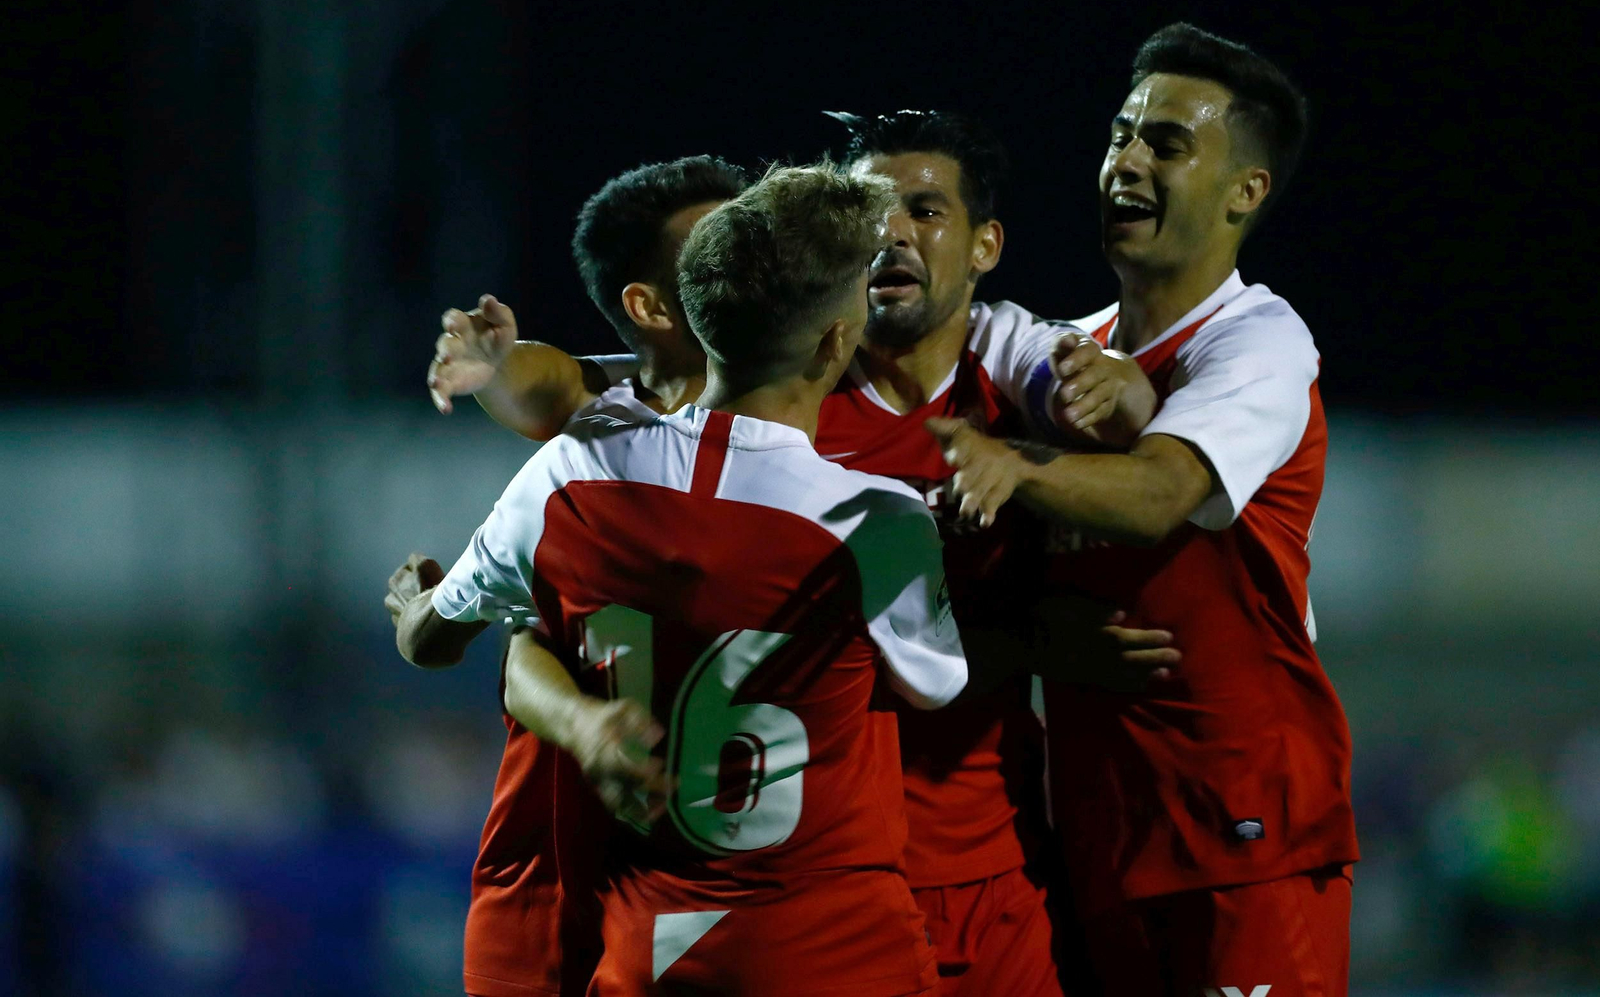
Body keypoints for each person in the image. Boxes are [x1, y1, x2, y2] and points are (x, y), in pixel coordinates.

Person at [428, 114, 1178, 996]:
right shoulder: (674, 428)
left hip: (966, 863)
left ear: (985, 245)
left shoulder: (1012, 368)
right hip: (778, 903)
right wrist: (1041, 644)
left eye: (923, 210)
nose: (891, 236)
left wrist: (1117, 390)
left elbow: (1088, 386)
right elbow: (565, 394)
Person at [390, 163, 966, 996]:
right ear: (837, 338)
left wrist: (419, 611)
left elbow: (448, 637)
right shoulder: (875, 517)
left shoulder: (573, 471)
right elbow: (933, 682)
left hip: (643, 943)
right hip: (824, 942)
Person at [928, 24, 1358, 996]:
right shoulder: (1060, 353)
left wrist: (1017, 465)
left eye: (1166, 143)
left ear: (1244, 191)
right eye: (1121, 133)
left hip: (1239, 837)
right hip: (1094, 837)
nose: (1126, 159)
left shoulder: (1260, 342)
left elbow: (1159, 495)